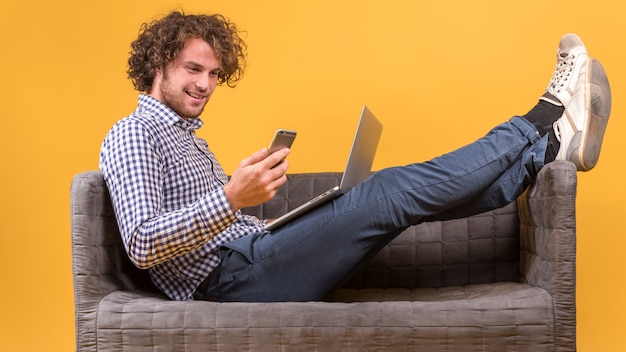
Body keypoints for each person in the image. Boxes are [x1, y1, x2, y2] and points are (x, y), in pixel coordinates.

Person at [99, 11, 612, 302]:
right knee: (388, 193)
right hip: (229, 283)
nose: (206, 85)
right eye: (194, 70)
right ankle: (542, 120)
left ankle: (541, 153)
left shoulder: (187, 136)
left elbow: (209, 223)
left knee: (397, 203)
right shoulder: (132, 135)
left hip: (253, 256)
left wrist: (258, 210)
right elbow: (144, 243)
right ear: (158, 64)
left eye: (213, 75)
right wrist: (232, 198)